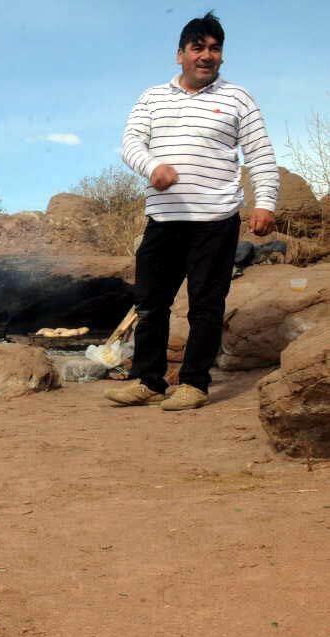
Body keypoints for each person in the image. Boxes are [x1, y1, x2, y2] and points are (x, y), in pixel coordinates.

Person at [107, 11, 279, 411]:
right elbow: (131, 143)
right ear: (179, 54)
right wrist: (153, 168)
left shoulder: (238, 98)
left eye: (215, 49)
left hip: (216, 220)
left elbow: (260, 154)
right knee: (150, 301)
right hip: (164, 219)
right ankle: (147, 381)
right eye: (197, 47)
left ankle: (194, 383)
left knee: (206, 304)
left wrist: (265, 202)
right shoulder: (152, 97)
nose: (207, 55)